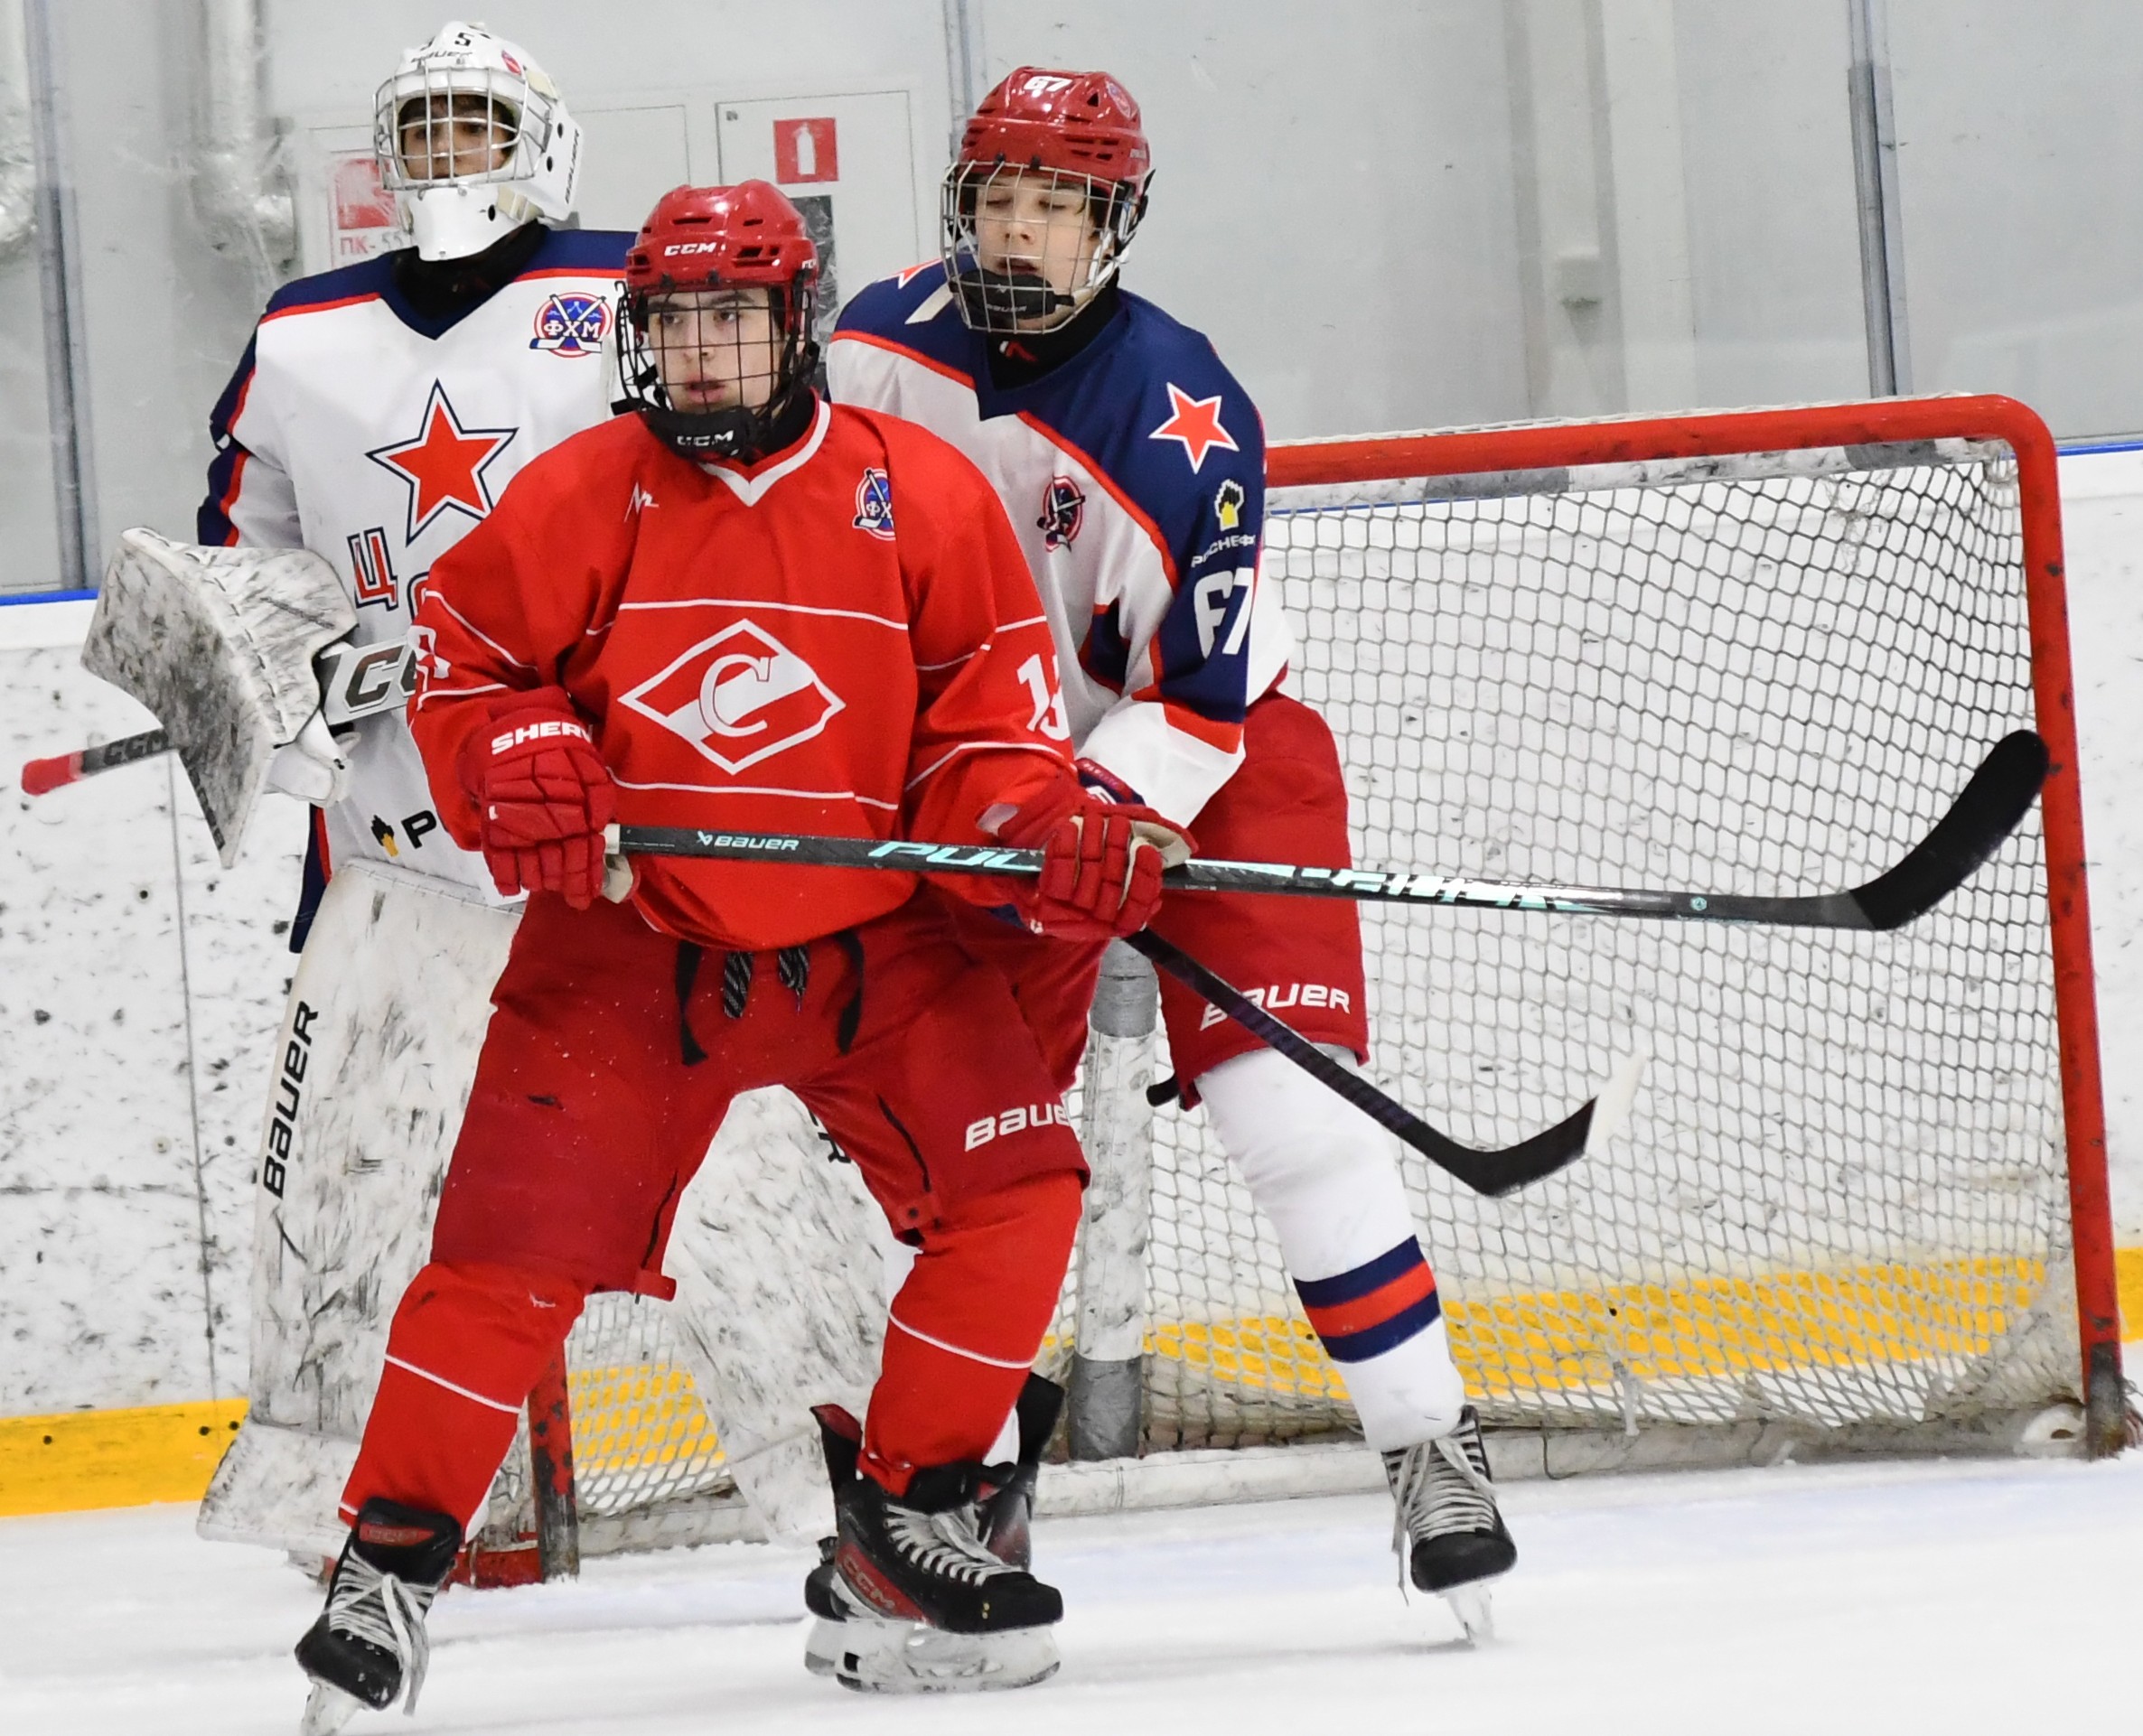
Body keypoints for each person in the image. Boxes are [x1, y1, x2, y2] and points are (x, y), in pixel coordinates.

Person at [291, 179, 1184, 1726]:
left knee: (1023, 1189)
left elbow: (986, 729)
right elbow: (466, 674)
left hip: (878, 949)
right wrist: (513, 750)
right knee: (505, 1263)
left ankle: (908, 1515)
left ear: (797, 325)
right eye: (675, 325)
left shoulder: (925, 492)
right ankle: (387, 1561)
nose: (701, 355)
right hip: (632, 952)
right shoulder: (578, 495)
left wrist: (1038, 821)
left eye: (734, 321)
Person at [828, 67, 1516, 1623]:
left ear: (1113, 223)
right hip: (983, 795)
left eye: (1056, 206)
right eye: (999, 197)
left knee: (1289, 1118)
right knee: (977, 1165)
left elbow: (1197, 699)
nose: (1021, 229)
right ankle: (960, 1491)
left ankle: (1429, 1444)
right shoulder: (871, 345)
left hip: (1209, 760)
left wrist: (1111, 809)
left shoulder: (1182, 415)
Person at [191, 21, 645, 1569]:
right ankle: (356, 1498)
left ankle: (845, 1464)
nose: (451, 159)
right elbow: (240, 572)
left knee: (716, 1169)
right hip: (384, 849)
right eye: (427, 132)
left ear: (542, 140)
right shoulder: (303, 329)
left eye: (478, 127)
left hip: (612, 837)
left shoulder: (627, 294)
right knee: (352, 1172)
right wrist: (303, 667)